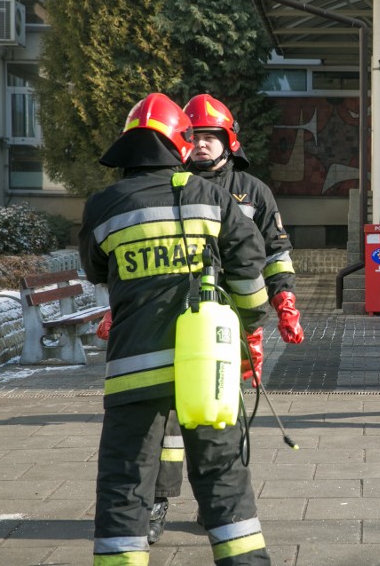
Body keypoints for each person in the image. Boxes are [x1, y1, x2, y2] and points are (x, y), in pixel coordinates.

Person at [79, 92, 271, 565]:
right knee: (223, 480)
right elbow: (248, 263)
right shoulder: (209, 195)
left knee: (126, 484)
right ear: (179, 145)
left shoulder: (104, 205)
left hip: (132, 370)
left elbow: (96, 270)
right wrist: (247, 325)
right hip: (204, 368)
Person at [140, 93, 306, 545]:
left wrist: (284, 301)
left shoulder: (253, 192)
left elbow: (274, 253)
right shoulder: (169, 185)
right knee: (168, 417)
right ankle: (157, 501)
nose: (204, 144)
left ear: (229, 141)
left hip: (231, 322)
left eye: (213, 136)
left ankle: (217, 504)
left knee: (223, 414)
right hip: (172, 318)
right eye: (195, 136)